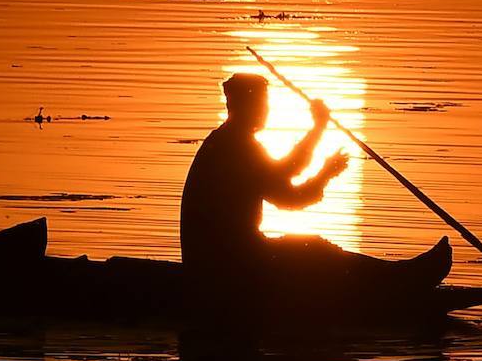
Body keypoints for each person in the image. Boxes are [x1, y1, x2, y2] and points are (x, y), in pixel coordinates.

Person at [180, 72, 450, 297]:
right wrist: (325, 171)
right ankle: (398, 281)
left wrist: (317, 131)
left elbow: (282, 174)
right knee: (315, 253)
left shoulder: (228, 142)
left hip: (221, 261)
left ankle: (398, 276)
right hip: (228, 267)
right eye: (262, 103)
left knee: (312, 251)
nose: (266, 111)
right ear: (245, 105)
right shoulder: (236, 148)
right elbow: (289, 197)